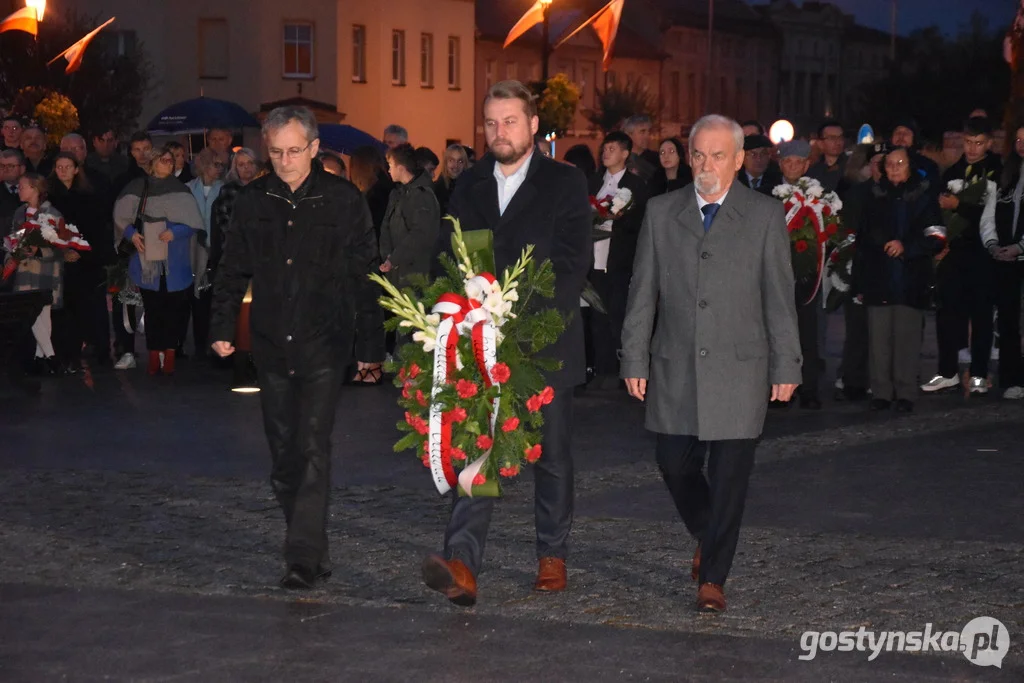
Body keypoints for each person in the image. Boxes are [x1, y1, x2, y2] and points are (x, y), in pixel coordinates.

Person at [620, 114, 801, 613]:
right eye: (698, 154)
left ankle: (713, 579)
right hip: (676, 363)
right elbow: (642, 291)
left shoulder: (764, 216)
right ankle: (710, 531)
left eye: (718, 155)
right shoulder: (661, 211)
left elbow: (779, 299)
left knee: (728, 479)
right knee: (672, 463)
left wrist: (787, 365)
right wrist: (634, 355)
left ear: (740, 160)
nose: (706, 164)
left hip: (741, 367)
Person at [420, 80, 590, 607]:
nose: (499, 132)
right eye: (491, 123)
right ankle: (463, 564)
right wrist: (449, 311)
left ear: (534, 125)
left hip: (545, 342)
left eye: (510, 121)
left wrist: (516, 319)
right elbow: (450, 257)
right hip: (477, 340)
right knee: (477, 446)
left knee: (552, 454)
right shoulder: (468, 185)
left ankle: (552, 554)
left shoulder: (564, 182)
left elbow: (570, 263)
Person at [210, 106, 379, 590]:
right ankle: (312, 546)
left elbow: (364, 275)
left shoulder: (343, 201)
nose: (285, 161)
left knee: (311, 445)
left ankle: (301, 556)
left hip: (325, 340)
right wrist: (222, 325)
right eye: (277, 152)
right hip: (270, 340)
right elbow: (230, 267)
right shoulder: (252, 200)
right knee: (283, 453)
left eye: (294, 151)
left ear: (313, 147)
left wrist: (369, 346)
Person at [854, 147, 943, 413]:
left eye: (899, 163)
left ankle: (905, 392)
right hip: (878, 279)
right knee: (878, 341)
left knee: (907, 339)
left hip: (910, 278)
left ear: (910, 166)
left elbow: (937, 237)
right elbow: (861, 240)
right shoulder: (872, 197)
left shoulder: (925, 198)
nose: (893, 168)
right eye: (889, 163)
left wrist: (907, 247)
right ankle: (881, 392)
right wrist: (859, 282)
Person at [923, 116, 1001, 395]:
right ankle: (947, 371)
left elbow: (997, 215)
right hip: (954, 254)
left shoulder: (997, 170)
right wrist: (938, 244)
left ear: (989, 143)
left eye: (979, 143)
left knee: (981, 315)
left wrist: (961, 206)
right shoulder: (953, 171)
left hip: (983, 254)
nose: (972, 148)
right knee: (947, 313)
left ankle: (979, 374)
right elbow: (937, 212)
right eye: (968, 142)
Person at [113, 145, 204, 375]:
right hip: (146, 261)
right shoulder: (136, 187)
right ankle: (154, 356)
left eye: (170, 160)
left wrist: (176, 232)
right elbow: (121, 217)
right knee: (153, 309)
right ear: (152, 162)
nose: (168, 163)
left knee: (174, 310)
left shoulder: (181, 190)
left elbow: (193, 223)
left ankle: (170, 355)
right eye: (163, 160)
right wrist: (131, 235)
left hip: (175, 261)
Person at [588, 130, 649, 382]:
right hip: (592, 256)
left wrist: (619, 220)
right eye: (604, 148)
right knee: (595, 313)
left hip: (619, 259)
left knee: (617, 311)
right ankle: (597, 367)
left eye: (612, 149)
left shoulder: (636, 186)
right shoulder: (592, 182)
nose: (606, 153)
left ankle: (620, 369)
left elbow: (641, 225)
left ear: (625, 153)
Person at [48, 153, 111, 373]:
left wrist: (81, 252)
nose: (63, 171)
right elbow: (45, 230)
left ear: (76, 169)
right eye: (59, 167)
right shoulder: (50, 199)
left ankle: (90, 351)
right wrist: (62, 252)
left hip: (85, 264)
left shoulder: (89, 197)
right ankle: (64, 355)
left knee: (86, 308)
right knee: (62, 311)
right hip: (58, 264)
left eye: (68, 166)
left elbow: (97, 230)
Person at [773, 139, 822, 409]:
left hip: (807, 274)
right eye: (787, 162)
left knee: (807, 334)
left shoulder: (817, 195)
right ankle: (780, 390)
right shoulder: (770, 193)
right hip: (776, 275)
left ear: (806, 165)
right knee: (778, 334)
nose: (792, 166)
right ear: (780, 164)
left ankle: (809, 388)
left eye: (798, 162)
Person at [8, 173, 66, 375]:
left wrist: (39, 251)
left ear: (35, 189)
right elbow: (13, 239)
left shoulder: (53, 214)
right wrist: (15, 249)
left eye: (23, 186)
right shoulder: (19, 213)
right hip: (25, 269)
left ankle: (44, 358)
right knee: (36, 315)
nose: (19, 189)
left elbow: (61, 246)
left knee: (42, 314)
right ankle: (48, 358)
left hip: (45, 270)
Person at [182, 148, 224, 357]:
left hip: (216, 253)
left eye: (221, 165)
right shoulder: (188, 189)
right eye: (216, 164)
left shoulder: (225, 189)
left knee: (214, 301)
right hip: (193, 252)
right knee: (196, 299)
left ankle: (214, 344)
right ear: (205, 165)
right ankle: (199, 346)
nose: (219, 169)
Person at [379, 143, 440, 286]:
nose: (388, 170)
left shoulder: (422, 195)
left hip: (415, 275)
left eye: (391, 165)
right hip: (397, 272)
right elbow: (386, 227)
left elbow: (421, 234)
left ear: (401, 168)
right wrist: (388, 255)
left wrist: (394, 258)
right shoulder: (397, 193)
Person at [992, 126, 1024, 400]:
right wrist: (994, 246)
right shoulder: (1008, 175)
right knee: (1009, 320)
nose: (1022, 144)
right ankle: (1012, 378)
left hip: (1019, 253)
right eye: (1018, 139)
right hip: (1006, 260)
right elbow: (991, 216)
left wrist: (1019, 247)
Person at [807, 119, 846, 193]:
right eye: (832, 138)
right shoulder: (812, 171)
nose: (838, 142)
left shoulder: (852, 167)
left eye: (840, 137)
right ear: (820, 143)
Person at [433, 143, 469, 217]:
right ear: (445, 163)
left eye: (460, 161)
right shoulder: (435, 189)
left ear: (465, 164)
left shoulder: (471, 188)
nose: (455, 165)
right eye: (451, 160)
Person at [623, 114, 658, 184]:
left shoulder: (657, 159)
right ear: (629, 134)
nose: (647, 136)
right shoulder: (619, 158)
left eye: (649, 131)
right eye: (642, 131)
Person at [0, 149, 25, 230]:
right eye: (2, 166)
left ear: (22, 169)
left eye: (10, 166)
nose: (5, 169)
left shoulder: (34, 190)